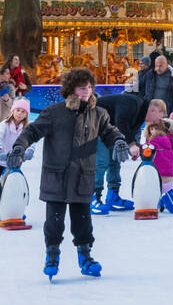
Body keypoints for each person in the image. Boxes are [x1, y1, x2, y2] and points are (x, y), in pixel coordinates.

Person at [6, 68, 137, 279]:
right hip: (56, 176)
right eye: (81, 87)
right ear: (70, 88)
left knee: (83, 220)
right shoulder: (54, 112)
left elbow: (110, 132)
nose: (86, 91)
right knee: (54, 221)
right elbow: (32, 131)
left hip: (82, 176)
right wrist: (20, 147)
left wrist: (120, 140)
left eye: (89, 87)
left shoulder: (99, 113)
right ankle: (52, 255)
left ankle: (85, 257)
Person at [92, 83, 148, 214]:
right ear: (153, 110)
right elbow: (121, 121)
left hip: (111, 130)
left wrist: (134, 145)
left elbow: (132, 130)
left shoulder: (140, 110)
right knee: (101, 162)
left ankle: (112, 196)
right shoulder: (131, 102)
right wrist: (131, 144)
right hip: (96, 126)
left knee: (114, 160)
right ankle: (93, 198)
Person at [144, 116, 173, 212]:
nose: (154, 131)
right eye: (152, 129)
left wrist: (168, 156)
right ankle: (164, 198)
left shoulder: (171, 132)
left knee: (167, 180)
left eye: (156, 128)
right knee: (162, 181)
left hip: (166, 163)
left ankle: (172, 195)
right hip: (159, 164)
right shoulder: (150, 137)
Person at [0, 97, 34, 175]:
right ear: (12, 111)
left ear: (26, 114)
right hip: (1, 160)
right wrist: (0, 151)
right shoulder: (4, 124)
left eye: (23, 112)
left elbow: (31, 139)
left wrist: (30, 150)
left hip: (15, 161)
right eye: (17, 110)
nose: (20, 113)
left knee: (11, 182)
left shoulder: (26, 128)